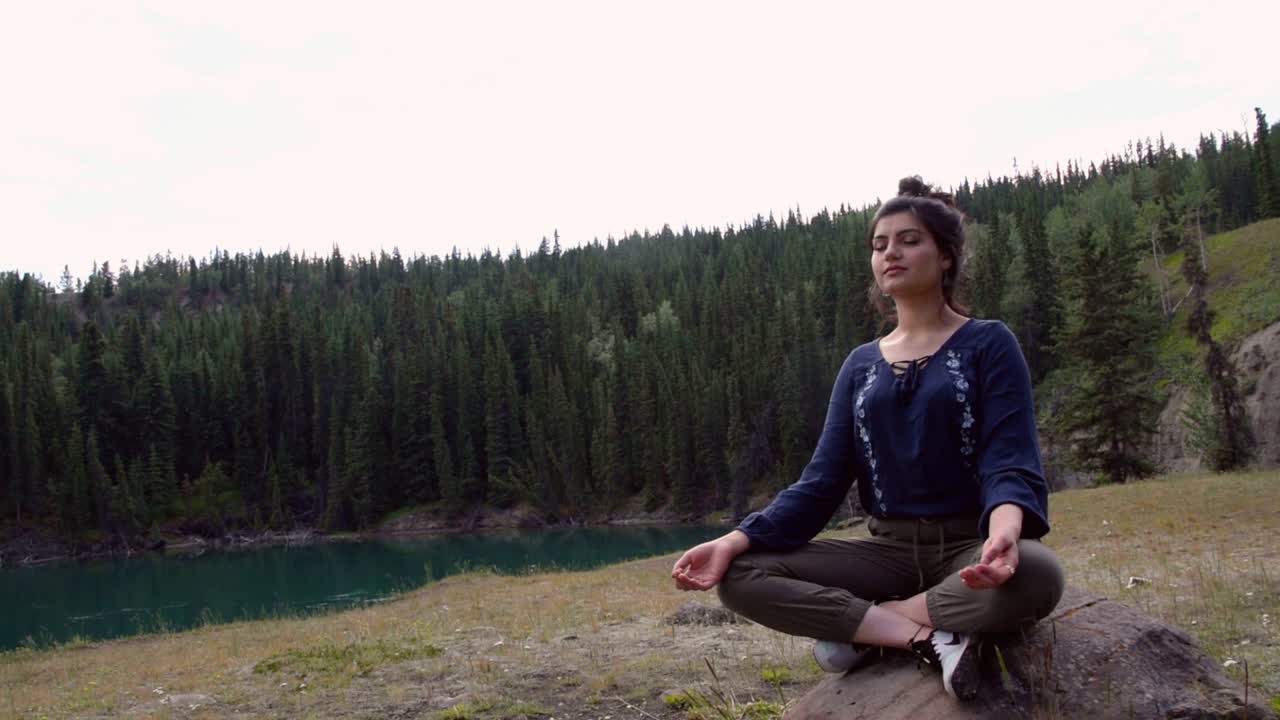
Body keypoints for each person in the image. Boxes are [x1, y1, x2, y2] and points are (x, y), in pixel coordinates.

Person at [670, 176, 1065, 701]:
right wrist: (732, 539)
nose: (890, 253)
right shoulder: (861, 365)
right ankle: (924, 637)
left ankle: (871, 629)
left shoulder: (988, 343)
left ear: (946, 256)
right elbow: (821, 483)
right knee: (741, 577)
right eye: (879, 245)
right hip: (888, 555)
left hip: (970, 544)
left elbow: (1008, 459)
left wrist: (1005, 535)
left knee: (1036, 573)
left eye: (908, 240)